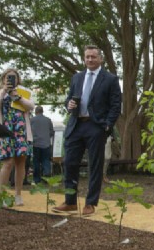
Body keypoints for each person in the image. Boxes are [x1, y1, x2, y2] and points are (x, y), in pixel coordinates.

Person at [53, 46, 122, 216]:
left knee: (95, 166)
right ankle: (70, 202)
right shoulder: (77, 77)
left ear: (100, 59)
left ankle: (90, 203)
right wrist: (68, 104)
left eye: (93, 57)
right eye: (87, 57)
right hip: (76, 125)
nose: (90, 59)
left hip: (96, 126)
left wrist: (108, 125)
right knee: (69, 163)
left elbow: (116, 105)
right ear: (84, 59)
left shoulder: (110, 79)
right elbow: (69, 98)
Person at [0, 68, 34, 206]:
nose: (10, 79)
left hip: (21, 132)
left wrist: (18, 97)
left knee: (21, 163)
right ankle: (2, 195)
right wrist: (4, 91)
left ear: (18, 79)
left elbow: (31, 106)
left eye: (13, 77)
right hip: (5, 132)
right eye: (8, 77)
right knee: (7, 163)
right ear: (3, 79)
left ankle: (18, 195)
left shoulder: (24, 91)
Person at [29, 105, 54, 184]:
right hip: (46, 144)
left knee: (36, 161)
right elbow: (52, 132)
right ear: (42, 111)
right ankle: (46, 177)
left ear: (36, 112)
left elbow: (29, 132)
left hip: (36, 144)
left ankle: (37, 179)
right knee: (46, 160)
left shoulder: (32, 120)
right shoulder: (48, 120)